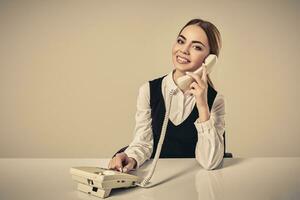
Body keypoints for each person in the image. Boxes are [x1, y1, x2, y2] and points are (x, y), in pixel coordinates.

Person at [108, 18, 225, 172]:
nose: (184, 50)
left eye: (196, 47)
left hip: (196, 180)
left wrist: (202, 105)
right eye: (181, 41)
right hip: (156, 175)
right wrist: (132, 158)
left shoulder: (215, 100)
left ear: (209, 59)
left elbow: (210, 162)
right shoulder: (148, 90)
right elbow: (143, 142)